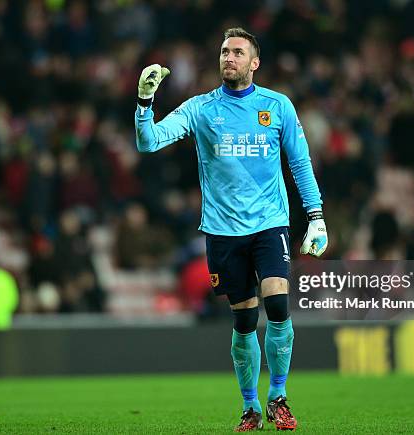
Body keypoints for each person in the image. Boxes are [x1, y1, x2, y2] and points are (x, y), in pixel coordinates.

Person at [135, 27, 328, 432]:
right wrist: (144, 102)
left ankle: (278, 396)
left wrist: (316, 215)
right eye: (224, 52)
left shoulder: (277, 106)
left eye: (238, 52)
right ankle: (249, 407)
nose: (229, 58)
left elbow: (300, 163)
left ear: (254, 63)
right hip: (223, 232)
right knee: (243, 322)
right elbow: (149, 142)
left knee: (277, 306)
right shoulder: (201, 109)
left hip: (270, 224)